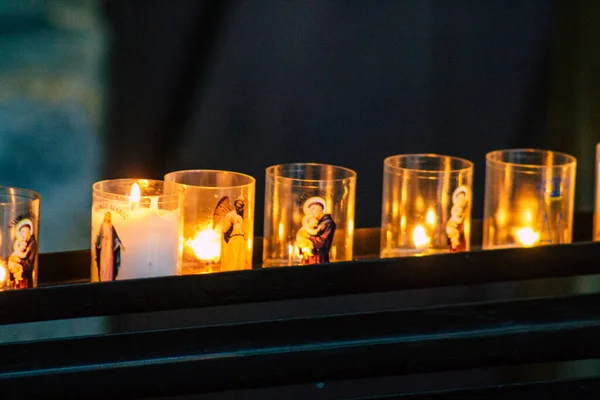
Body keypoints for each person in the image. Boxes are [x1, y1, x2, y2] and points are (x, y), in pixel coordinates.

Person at [300, 199, 336, 264]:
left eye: (313, 209)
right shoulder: (312, 222)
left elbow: (321, 242)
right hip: (308, 257)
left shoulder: (328, 223)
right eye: (310, 210)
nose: (311, 212)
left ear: (320, 209)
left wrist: (308, 237)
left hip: (319, 258)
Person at [219, 197, 246, 271]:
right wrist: (229, 226)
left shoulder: (240, 217)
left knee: (240, 258)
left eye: (242, 204)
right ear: (235, 203)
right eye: (239, 203)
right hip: (234, 238)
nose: (240, 206)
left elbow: (242, 228)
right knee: (233, 257)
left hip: (241, 238)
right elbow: (225, 229)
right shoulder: (230, 215)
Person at [95, 212, 124, 281]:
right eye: (107, 216)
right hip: (104, 245)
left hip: (109, 247)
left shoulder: (111, 226)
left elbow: (115, 237)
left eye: (109, 216)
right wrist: (96, 241)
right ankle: (103, 277)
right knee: (103, 261)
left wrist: (120, 244)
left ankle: (109, 277)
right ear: (105, 217)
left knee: (109, 261)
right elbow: (98, 236)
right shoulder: (102, 226)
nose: (108, 217)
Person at [446, 186, 469, 252]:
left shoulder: (462, 209)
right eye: (459, 198)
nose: (461, 200)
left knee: (457, 236)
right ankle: (454, 246)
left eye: (462, 198)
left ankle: (455, 247)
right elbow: (455, 217)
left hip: (458, 227)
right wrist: (460, 220)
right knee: (455, 235)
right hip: (451, 226)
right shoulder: (455, 209)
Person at [17, 223, 37, 288]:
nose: (22, 235)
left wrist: (18, 260)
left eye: (23, 232)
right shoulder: (25, 243)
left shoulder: (32, 244)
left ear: (29, 231)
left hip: (27, 280)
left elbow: (29, 265)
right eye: (21, 233)